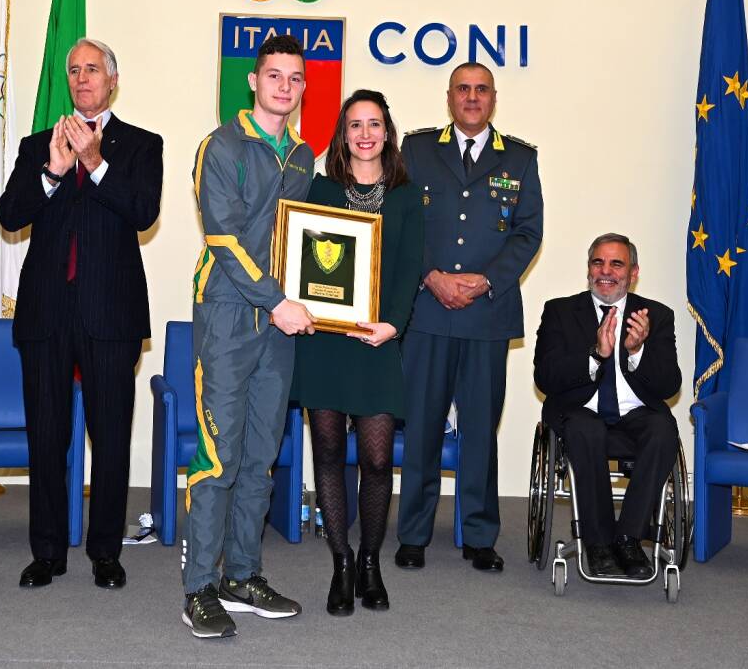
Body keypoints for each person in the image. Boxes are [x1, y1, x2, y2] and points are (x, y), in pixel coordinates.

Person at [0, 38, 163, 590]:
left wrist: (94, 163)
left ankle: (105, 553)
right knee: (46, 438)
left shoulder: (141, 146)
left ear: (113, 80)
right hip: (46, 312)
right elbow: (10, 214)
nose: (82, 78)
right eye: (74, 71)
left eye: (92, 69)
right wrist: (51, 170)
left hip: (110, 313)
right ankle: (46, 552)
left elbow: (142, 213)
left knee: (111, 438)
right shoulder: (36, 144)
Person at [183, 34, 316, 639]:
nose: (283, 87)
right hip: (231, 315)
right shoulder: (222, 145)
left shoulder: (303, 155)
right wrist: (279, 301)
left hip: (280, 325)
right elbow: (224, 238)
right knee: (220, 455)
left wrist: (311, 300)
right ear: (253, 81)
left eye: (294, 78)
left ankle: (243, 574)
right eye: (274, 76)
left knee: (261, 457)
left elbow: (308, 243)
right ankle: (199, 588)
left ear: (302, 88)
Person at [395, 62, 543, 574]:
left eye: (482, 90)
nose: (472, 97)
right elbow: (400, 223)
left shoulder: (521, 159)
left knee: (480, 429)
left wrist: (484, 281)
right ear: (449, 97)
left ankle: (479, 536)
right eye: (464, 89)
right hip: (427, 313)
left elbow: (528, 233)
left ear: (494, 98)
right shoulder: (415, 151)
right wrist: (429, 276)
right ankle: (412, 533)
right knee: (422, 429)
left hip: (486, 315)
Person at [291, 90, 423, 615]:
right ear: (342, 136)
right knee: (326, 453)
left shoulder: (408, 197)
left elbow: (411, 267)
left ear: (387, 133)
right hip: (325, 342)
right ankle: (341, 563)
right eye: (354, 126)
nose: (365, 134)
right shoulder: (319, 190)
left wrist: (392, 325)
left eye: (373, 125)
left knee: (374, 458)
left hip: (377, 341)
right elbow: (301, 256)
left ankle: (371, 560)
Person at [533, 233, 681, 577]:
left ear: (633, 272)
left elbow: (669, 386)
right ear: (588, 269)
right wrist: (596, 355)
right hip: (580, 411)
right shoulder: (560, 311)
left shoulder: (656, 315)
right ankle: (598, 543)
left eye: (617, 263)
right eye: (598, 262)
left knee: (663, 430)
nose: (606, 271)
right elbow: (547, 378)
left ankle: (628, 538)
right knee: (587, 428)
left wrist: (635, 352)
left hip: (635, 413)